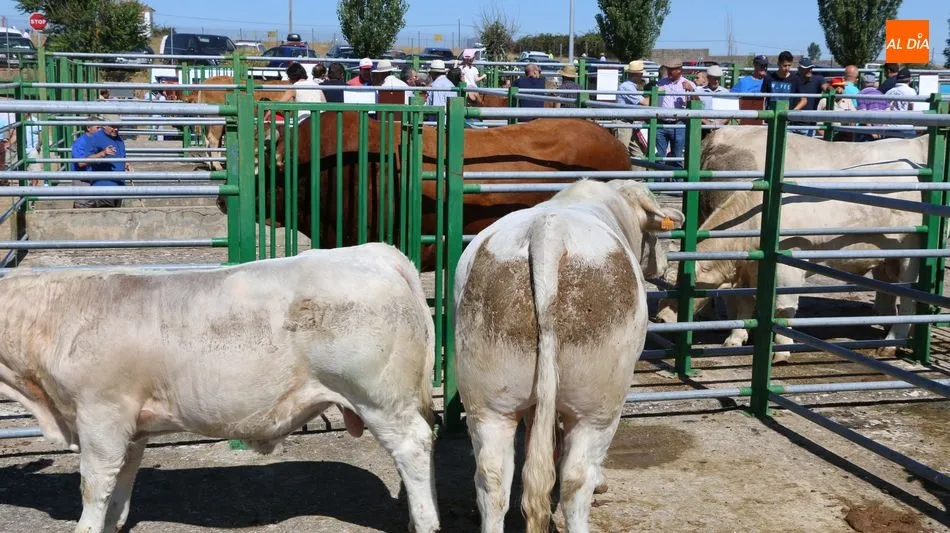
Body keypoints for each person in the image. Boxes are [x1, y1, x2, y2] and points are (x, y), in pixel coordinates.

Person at [654, 59, 697, 168]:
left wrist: (691, 90)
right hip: (661, 123)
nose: (669, 72)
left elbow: (697, 103)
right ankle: (658, 178)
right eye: (668, 69)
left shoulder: (688, 84)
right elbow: (654, 100)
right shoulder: (661, 83)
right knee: (659, 157)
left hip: (679, 123)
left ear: (679, 71)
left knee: (677, 157)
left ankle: (677, 179)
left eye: (672, 70)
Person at [82, 116, 130, 208]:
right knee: (107, 213)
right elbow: (85, 160)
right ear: (104, 125)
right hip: (103, 186)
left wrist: (126, 164)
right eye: (113, 126)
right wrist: (103, 153)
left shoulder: (119, 139)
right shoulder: (95, 138)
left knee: (116, 213)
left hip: (119, 185)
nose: (116, 129)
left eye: (118, 127)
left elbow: (122, 157)